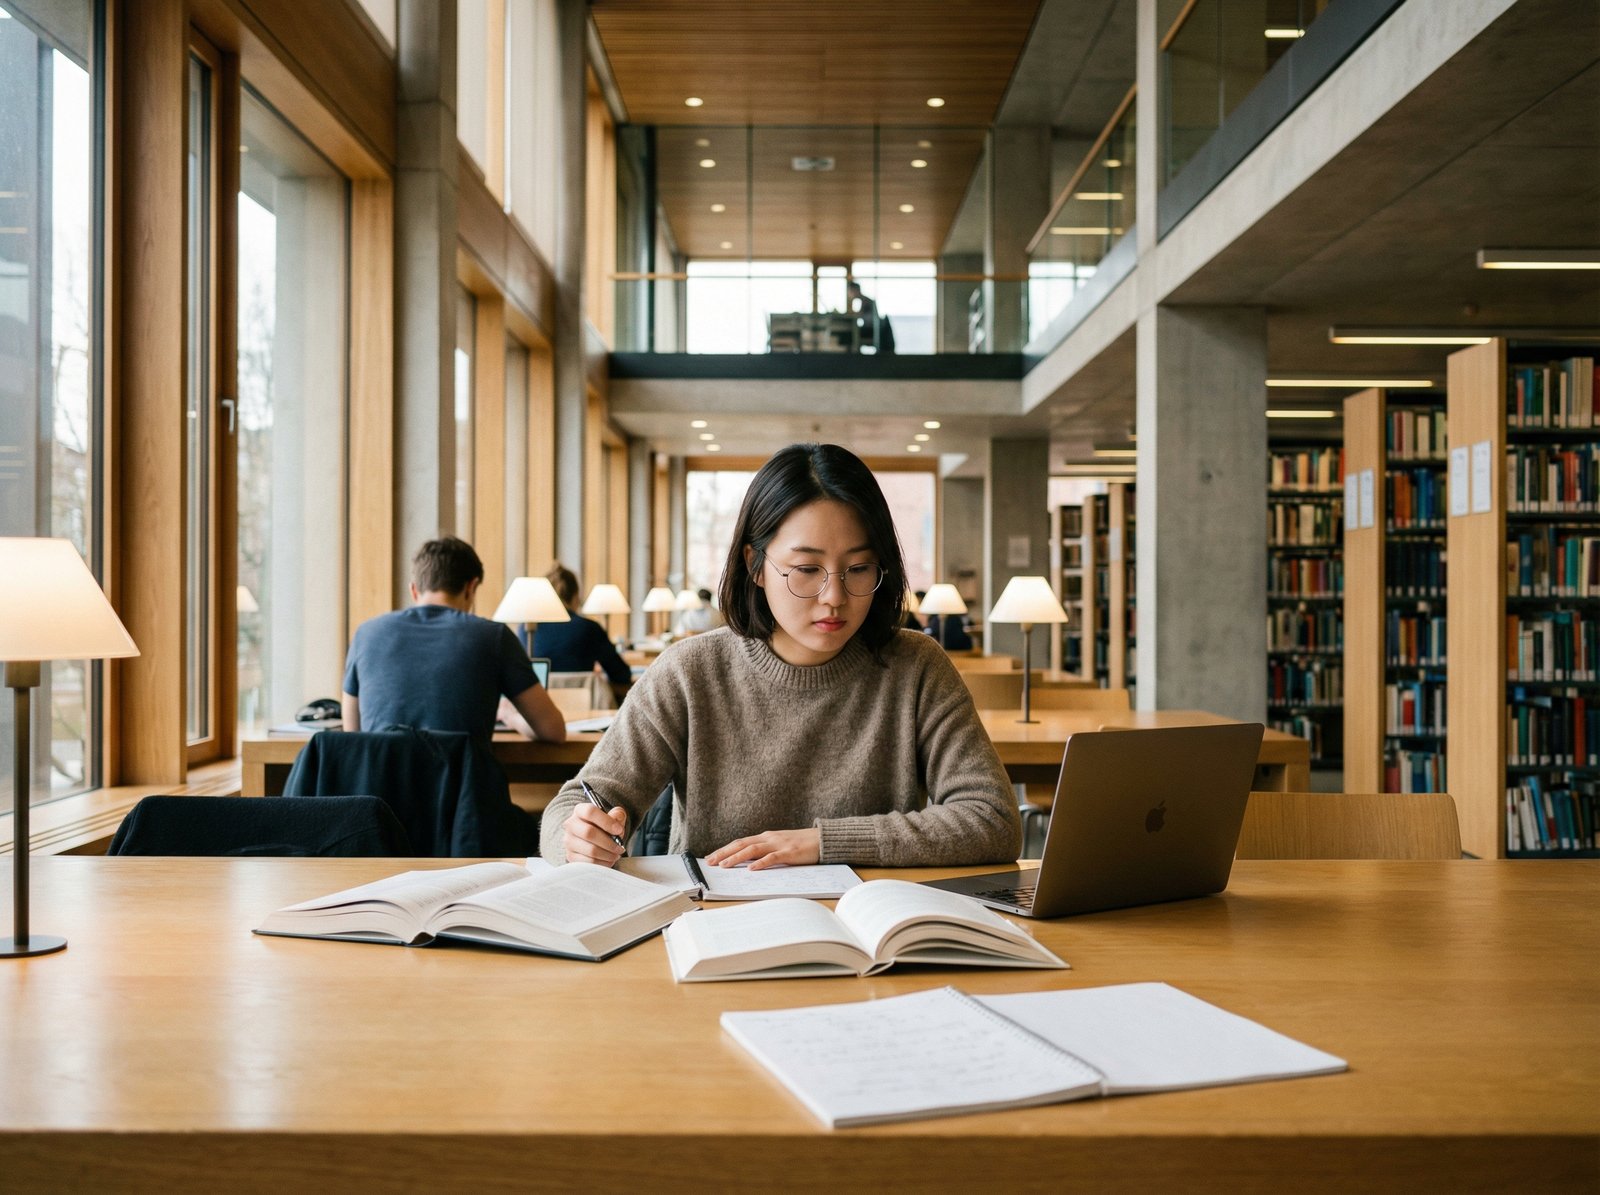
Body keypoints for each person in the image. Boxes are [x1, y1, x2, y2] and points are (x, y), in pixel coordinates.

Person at [541, 443, 1020, 870]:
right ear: (755, 565)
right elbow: (572, 808)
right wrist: (578, 839)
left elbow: (993, 819)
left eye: (858, 568)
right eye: (807, 569)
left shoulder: (916, 667)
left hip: (871, 937)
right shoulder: (689, 673)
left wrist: (823, 842)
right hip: (713, 934)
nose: (834, 596)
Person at [342, 536, 566, 744]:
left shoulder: (366, 634)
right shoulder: (493, 637)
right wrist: (509, 715)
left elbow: (353, 737)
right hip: (463, 785)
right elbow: (553, 731)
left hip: (382, 785)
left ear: (414, 590)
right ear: (471, 587)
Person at [532, 563, 634, 705]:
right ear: (575, 596)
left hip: (540, 709)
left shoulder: (528, 629)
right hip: (587, 710)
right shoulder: (588, 628)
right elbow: (621, 674)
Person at [846, 281, 895, 354]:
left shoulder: (865, 301)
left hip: (872, 330)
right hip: (873, 328)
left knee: (848, 335)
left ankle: (852, 357)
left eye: (850, 291)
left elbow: (859, 315)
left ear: (855, 290)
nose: (849, 294)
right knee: (849, 333)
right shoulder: (865, 300)